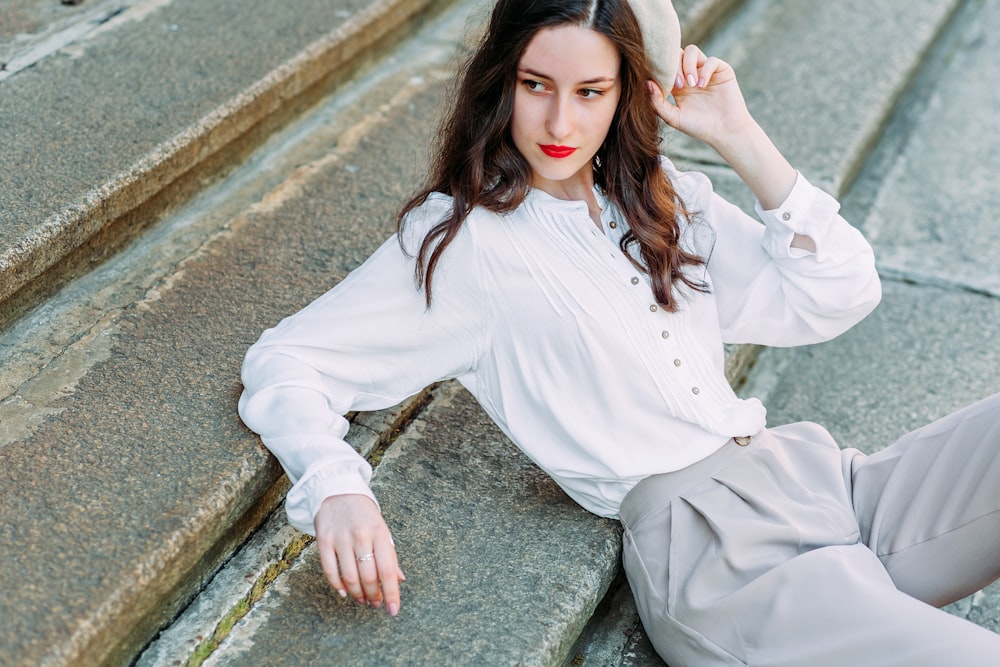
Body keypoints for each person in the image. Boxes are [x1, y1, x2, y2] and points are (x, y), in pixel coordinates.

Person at [238, 0, 1000, 663]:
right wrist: (338, 489)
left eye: (590, 91)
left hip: (824, 485)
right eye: (535, 85)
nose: (560, 122)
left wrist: (739, 135)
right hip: (722, 565)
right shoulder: (466, 243)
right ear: (502, 80)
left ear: (625, 94)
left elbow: (840, 292)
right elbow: (289, 361)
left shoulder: (658, 199)